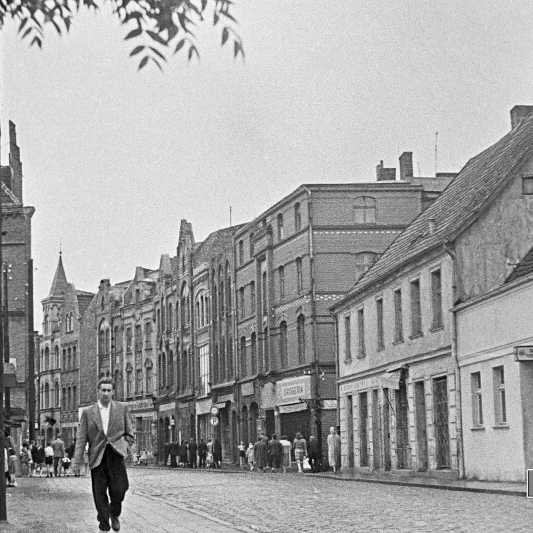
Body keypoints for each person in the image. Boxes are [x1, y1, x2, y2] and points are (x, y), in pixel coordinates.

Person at [73, 376, 134, 533]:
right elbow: (81, 438)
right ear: (98, 392)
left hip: (115, 455)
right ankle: (104, 526)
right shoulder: (88, 412)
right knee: (99, 494)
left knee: (121, 488)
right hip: (97, 456)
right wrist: (77, 461)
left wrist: (125, 446)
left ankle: (114, 513)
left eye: (109, 390)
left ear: (113, 392)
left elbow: (130, 434)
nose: (106, 393)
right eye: (103, 390)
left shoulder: (122, 408)